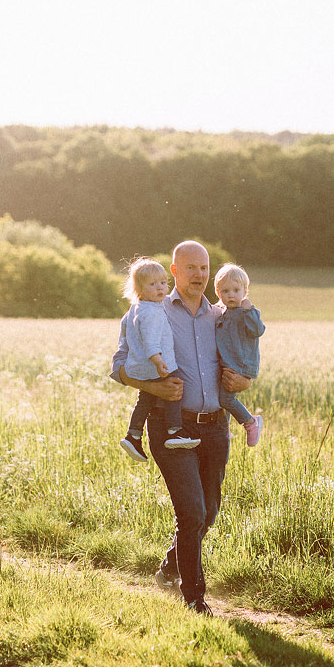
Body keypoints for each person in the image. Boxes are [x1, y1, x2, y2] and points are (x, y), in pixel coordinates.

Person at [111, 240, 251, 615]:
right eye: (190, 268)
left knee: (208, 512)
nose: (199, 275)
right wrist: (154, 386)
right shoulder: (148, 310)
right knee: (191, 512)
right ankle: (194, 597)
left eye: (204, 268)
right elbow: (118, 365)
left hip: (215, 427)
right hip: (171, 428)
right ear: (174, 271)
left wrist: (245, 382)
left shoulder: (222, 314)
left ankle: (170, 566)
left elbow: (244, 358)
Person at [115, 257, 200, 463]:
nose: (160, 288)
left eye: (163, 282)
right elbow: (151, 339)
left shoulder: (135, 309)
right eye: (153, 284)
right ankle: (174, 431)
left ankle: (133, 434)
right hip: (159, 364)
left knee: (144, 399)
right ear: (139, 289)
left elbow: (126, 336)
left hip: (140, 367)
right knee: (174, 387)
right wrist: (157, 360)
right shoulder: (152, 312)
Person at [213, 262, 265, 447]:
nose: (231, 295)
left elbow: (258, 330)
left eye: (236, 290)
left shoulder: (246, 313)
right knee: (222, 397)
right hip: (228, 364)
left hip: (241, 365)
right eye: (225, 291)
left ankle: (250, 422)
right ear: (219, 293)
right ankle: (225, 429)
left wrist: (249, 309)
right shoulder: (222, 313)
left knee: (225, 399)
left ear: (245, 291)